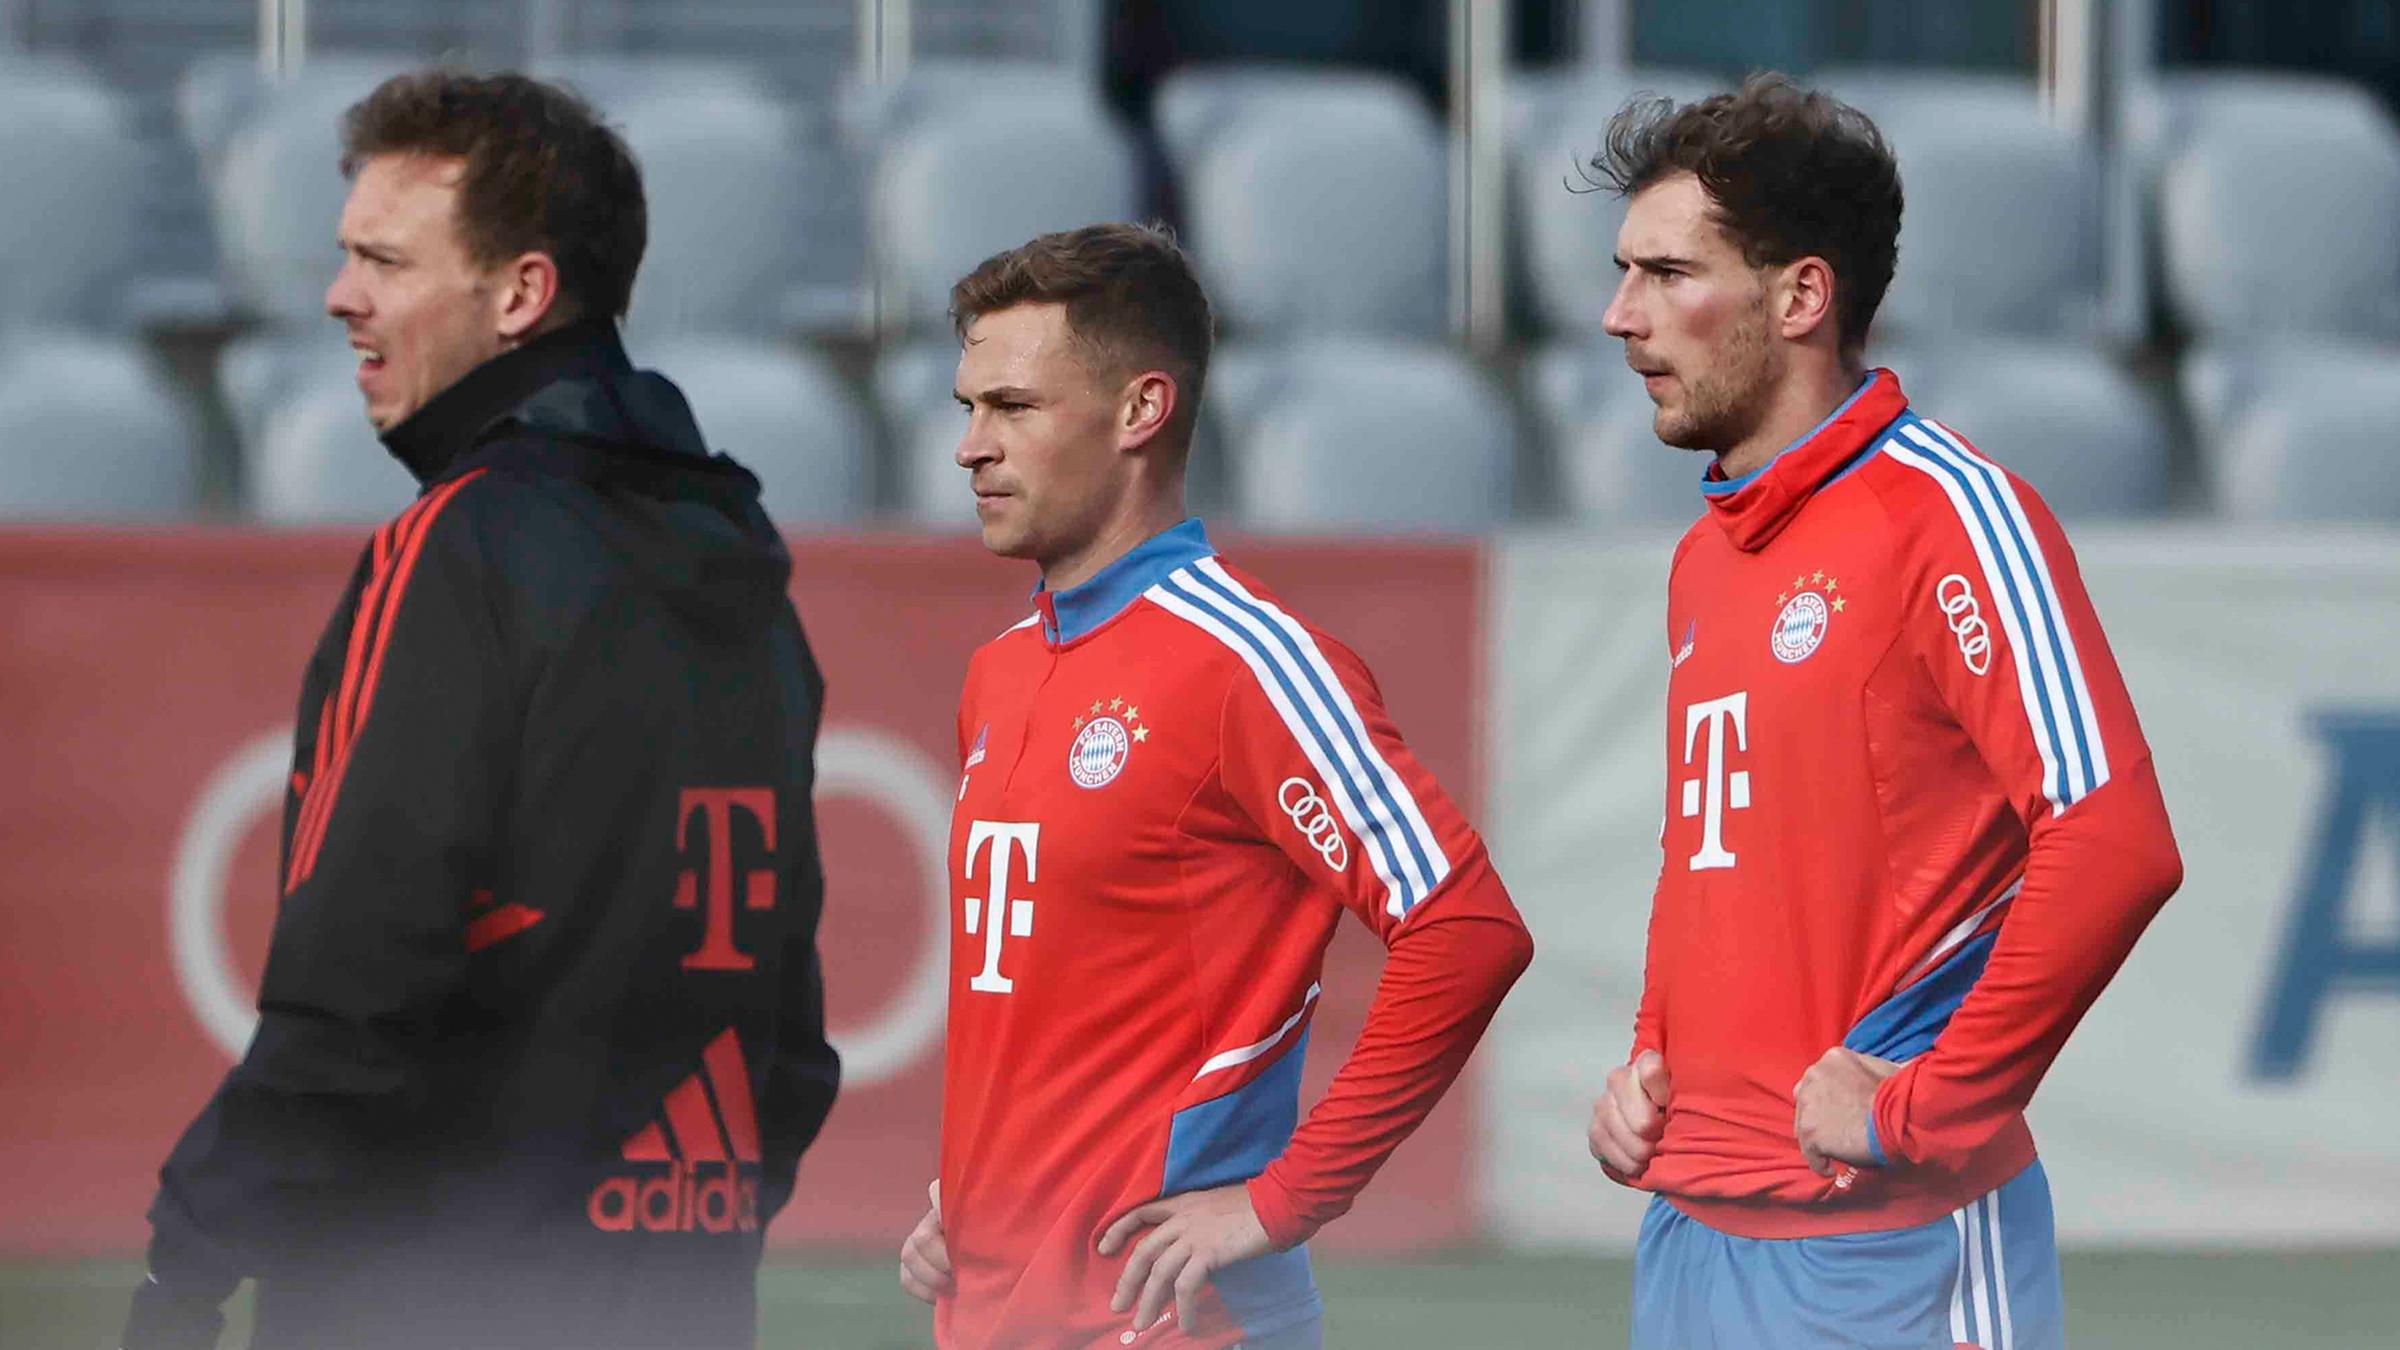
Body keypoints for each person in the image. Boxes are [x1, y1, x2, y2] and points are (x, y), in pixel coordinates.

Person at [122, 70, 840, 1350]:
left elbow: (362, 963)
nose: (341, 297)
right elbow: (789, 1029)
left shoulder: (460, 543)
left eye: (383, 261)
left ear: (519, 293)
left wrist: (195, 1251)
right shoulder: (742, 555)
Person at [1577, 74, 2184, 1350]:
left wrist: (1931, 1107)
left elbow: (2114, 839)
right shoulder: (1708, 553)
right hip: (1688, 1241)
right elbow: (1718, 857)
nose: (1617, 314)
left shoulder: (1951, 517)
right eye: (1623, 271)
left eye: (1668, 274)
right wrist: (1651, 1061)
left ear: (1802, 296)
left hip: (1892, 1261)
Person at [894, 222, 1534, 1349]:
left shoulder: (1250, 663)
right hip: (990, 1316)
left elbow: (1467, 928)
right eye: (967, 407)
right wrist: (977, 1201)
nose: (970, 448)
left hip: (1176, 1326)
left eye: (1015, 408)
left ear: (1142, 411)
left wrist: (1285, 1201)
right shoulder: (1000, 671)